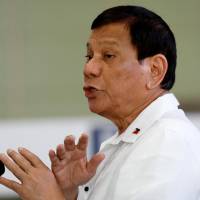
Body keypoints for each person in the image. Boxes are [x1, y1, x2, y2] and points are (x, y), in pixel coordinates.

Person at [0, 5, 200, 200]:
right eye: (89, 56)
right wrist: (69, 193)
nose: (89, 68)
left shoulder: (168, 143)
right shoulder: (129, 141)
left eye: (108, 56)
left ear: (155, 70)